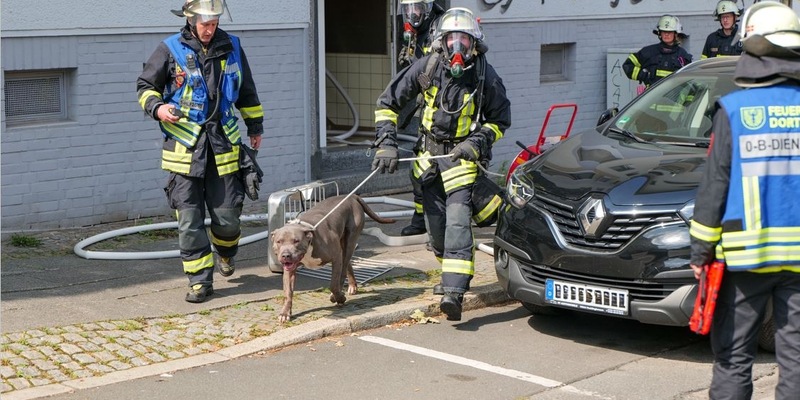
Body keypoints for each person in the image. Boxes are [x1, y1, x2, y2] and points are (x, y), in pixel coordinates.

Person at [689, 2, 800, 398]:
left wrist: (700, 253)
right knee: (797, 362)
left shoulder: (734, 110)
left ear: (751, 48)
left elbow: (714, 188)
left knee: (734, 358)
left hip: (744, 260)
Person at [372, 7, 511, 321]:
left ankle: (454, 293)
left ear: (474, 43)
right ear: (442, 41)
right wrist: (386, 145)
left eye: (464, 39)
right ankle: (450, 273)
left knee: (459, 226)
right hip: (427, 162)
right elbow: (387, 103)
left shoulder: (484, 75)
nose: (457, 46)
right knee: (436, 234)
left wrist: (475, 143)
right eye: (452, 39)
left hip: (461, 161)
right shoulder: (428, 66)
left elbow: (500, 120)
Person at [136, 0, 264, 303]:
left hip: (222, 146)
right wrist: (159, 108)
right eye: (205, 24)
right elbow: (144, 86)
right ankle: (199, 282)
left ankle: (226, 252)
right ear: (191, 21)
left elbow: (247, 92)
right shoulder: (169, 49)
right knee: (189, 222)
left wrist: (255, 127)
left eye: (214, 23)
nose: (210, 29)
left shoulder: (232, 46)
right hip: (184, 152)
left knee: (228, 218)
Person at [396, 0, 445, 238]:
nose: (413, 14)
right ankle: (422, 219)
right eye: (409, 9)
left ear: (428, 8)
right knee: (418, 171)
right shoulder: (415, 32)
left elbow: (438, 71)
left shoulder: (439, 30)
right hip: (426, 111)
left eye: (417, 8)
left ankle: (439, 222)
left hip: (443, 114)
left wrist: (416, 68)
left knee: (433, 173)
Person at [623, 15, 693, 88]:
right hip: (652, 97)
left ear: (675, 34)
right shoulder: (649, 52)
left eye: (669, 32)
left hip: (674, 97)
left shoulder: (682, 55)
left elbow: (690, 81)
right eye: (664, 31)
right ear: (659, 33)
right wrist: (643, 75)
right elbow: (628, 65)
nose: (666, 34)